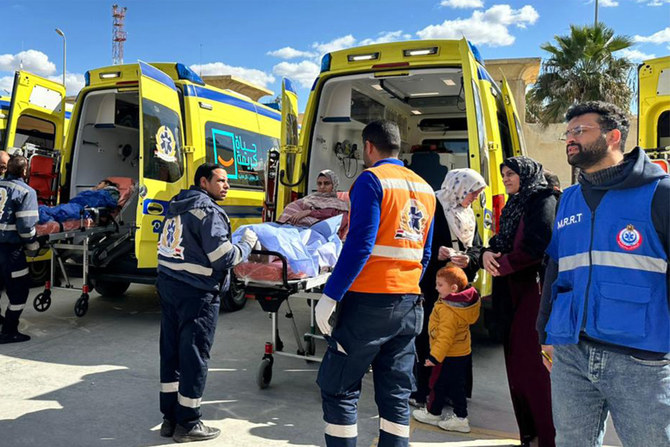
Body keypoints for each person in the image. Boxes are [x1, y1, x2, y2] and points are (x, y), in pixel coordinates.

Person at [537, 101, 670, 446]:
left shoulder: (661, 194)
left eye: (580, 131)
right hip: (571, 354)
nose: (570, 138)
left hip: (641, 359)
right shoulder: (567, 200)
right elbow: (555, 267)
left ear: (613, 136)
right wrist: (546, 331)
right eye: (568, 133)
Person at [314, 120, 436, 447]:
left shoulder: (371, 180)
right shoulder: (426, 189)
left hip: (367, 303)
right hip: (410, 304)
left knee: (338, 385)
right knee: (395, 393)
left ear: (368, 147)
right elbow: (425, 254)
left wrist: (330, 296)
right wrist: (407, 284)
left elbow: (360, 245)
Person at [156, 162, 258, 443]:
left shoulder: (177, 203)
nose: (226, 186)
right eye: (221, 181)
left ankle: (170, 418)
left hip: (168, 286)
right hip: (197, 294)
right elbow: (223, 258)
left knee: (172, 353)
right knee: (194, 356)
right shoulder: (209, 212)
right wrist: (247, 245)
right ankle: (188, 423)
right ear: (204, 182)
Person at [482, 156, 558, 447]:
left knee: (534, 370)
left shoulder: (543, 200)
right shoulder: (514, 203)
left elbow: (539, 246)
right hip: (511, 294)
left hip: (533, 294)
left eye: (511, 174)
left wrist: (503, 264)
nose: (507, 179)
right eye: (503, 175)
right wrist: (486, 254)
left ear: (526, 174)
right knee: (516, 368)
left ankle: (547, 438)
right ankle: (529, 435)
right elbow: (500, 242)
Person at [411, 168, 485, 408]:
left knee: (457, 339)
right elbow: (416, 242)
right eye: (472, 193)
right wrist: (436, 254)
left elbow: (476, 247)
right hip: (435, 286)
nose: (474, 199)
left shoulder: (467, 215)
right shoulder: (432, 206)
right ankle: (425, 390)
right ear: (458, 188)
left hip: (458, 286)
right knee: (432, 337)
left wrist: (469, 259)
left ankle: (455, 392)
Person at [412, 266, 480, 433]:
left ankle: (453, 416)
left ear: (453, 288)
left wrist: (434, 357)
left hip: (447, 355)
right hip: (460, 352)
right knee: (452, 385)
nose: (436, 288)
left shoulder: (448, 310)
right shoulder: (460, 304)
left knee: (438, 384)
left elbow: (445, 337)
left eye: (440, 285)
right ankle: (441, 412)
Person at [0, 155, 39, 343]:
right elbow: (25, 226)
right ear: (25, 171)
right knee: (19, 290)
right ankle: (9, 331)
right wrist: (33, 246)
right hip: (10, 251)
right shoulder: (26, 192)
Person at [277, 169, 349, 237]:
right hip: (294, 228)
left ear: (334, 185)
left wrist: (309, 212)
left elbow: (337, 222)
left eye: (326, 183)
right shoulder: (309, 199)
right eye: (319, 183)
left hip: (318, 235)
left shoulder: (340, 205)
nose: (322, 186)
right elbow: (292, 209)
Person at [38, 179, 120, 224]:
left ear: (107, 184)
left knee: (61, 211)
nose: (97, 185)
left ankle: (48, 220)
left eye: (100, 183)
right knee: (54, 210)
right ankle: (44, 216)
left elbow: (109, 203)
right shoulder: (99, 192)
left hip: (83, 209)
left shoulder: (111, 193)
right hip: (78, 206)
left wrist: (93, 192)